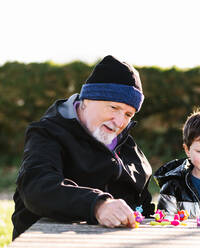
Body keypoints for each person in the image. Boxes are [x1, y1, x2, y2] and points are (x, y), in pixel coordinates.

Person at [11, 55, 155, 239]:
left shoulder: (127, 146)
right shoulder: (47, 133)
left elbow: (143, 205)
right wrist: (97, 205)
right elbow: (36, 188)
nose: (120, 122)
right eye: (113, 107)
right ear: (86, 100)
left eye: (128, 114)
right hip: (46, 240)